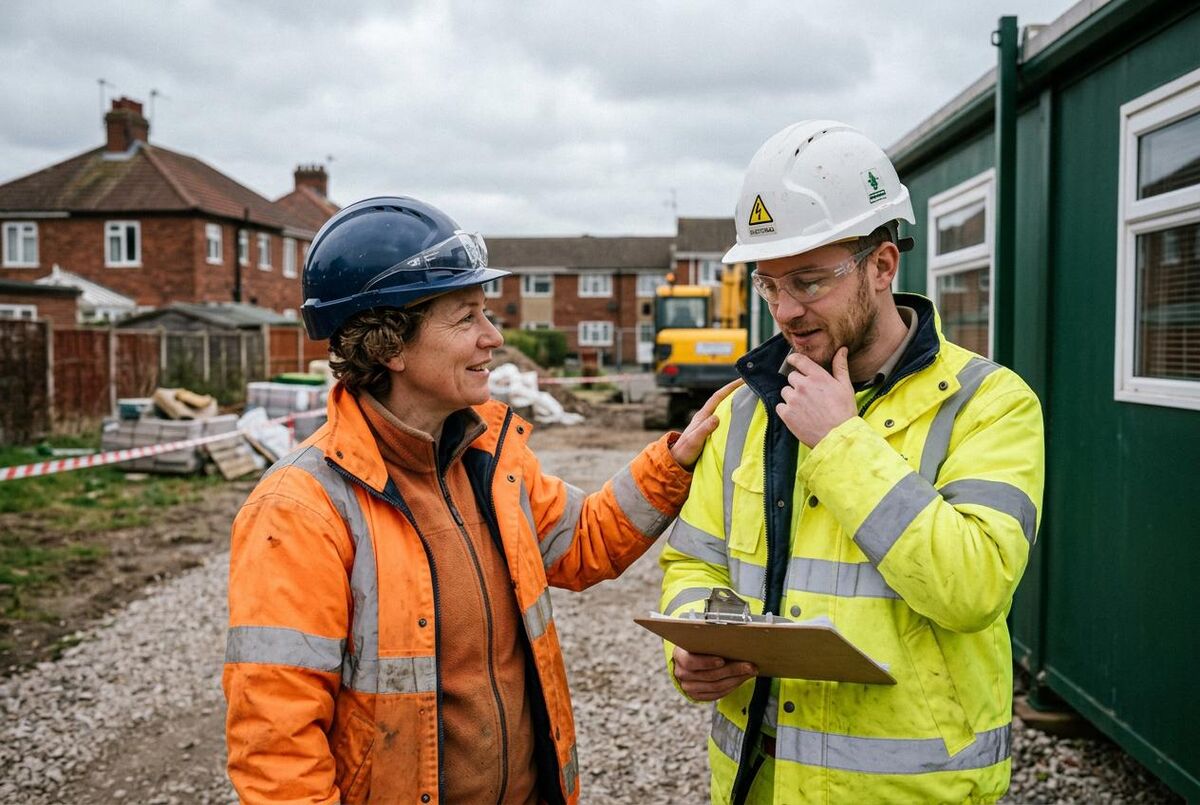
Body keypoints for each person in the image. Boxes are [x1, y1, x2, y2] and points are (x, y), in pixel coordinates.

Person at [223, 196, 737, 804]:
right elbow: (277, 749)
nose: (493, 338)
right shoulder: (300, 509)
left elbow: (588, 540)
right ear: (390, 344)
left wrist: (672, 463)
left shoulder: (490, 463)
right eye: (466, 317)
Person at [659, 120, 1045, 804]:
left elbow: (974, 587)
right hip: (758, 781)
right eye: (768, 284)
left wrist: (841, 443)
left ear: (882, 265)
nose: (784, 310)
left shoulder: (989, 403)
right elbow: (695, 561)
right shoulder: (748, 409)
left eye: (809, 281)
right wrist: (691, 648)